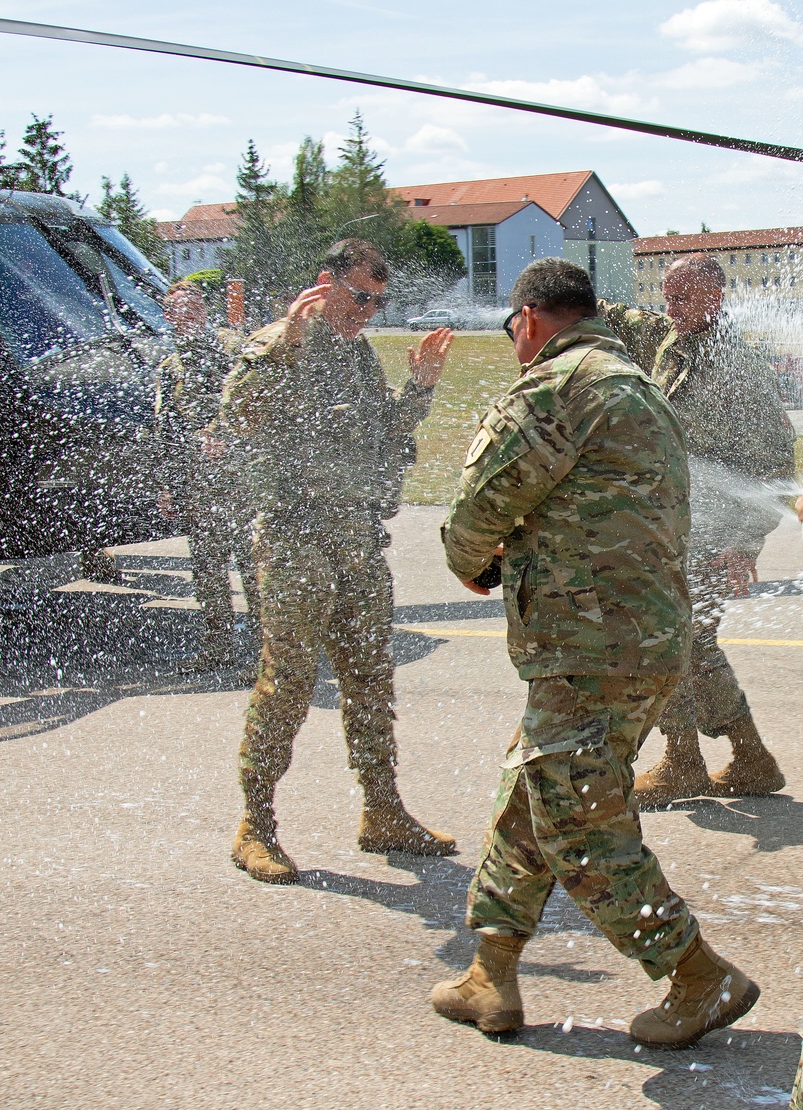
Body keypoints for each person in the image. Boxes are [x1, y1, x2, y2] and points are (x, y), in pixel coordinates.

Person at [433, 258, 758, 1048]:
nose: (514, 340)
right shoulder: (634, 381)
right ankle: (492, 971)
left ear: (534, 317)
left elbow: (479, 512)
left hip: (587, 646)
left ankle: (695, 974)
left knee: (577, 820)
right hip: (640, 640)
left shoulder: (557, 386)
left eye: (513, 326)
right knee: (532, 794)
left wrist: (471, 560)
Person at [217, 238, 456, 884]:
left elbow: (383, 436)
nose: (368, 312)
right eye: (359, 297)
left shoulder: (357, 356)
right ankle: (255, 825)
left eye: (378, 302)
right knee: (289, 682)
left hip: (355, 542)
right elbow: (237, 415)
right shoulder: (276, 343)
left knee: (371, 681)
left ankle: (382, 810)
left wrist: (419, 391)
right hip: (296, 542)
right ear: (325, 284)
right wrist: (286, 346)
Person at [601, 255, 796, 805]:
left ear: (714, 297)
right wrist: (561, 300)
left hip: (712, 538)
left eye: (682, 298)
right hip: (671, 533)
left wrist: (745, 542)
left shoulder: (737, 367)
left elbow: (776, 465)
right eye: (666, 297)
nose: (670, 308)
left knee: (678, 645)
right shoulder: (673, 338)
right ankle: (744, 757)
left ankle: (689, 761)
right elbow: (622, 317)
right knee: (686, 644)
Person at [153, 279, 260, 671]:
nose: (189, 315)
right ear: (169, 316)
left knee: (253, 565)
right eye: (180, 310)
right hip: (199, 486)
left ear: (204, 310)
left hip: (240, 479)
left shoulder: (230, 348)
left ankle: (269, 654)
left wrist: (221, 433)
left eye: (194, 307)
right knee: (208, 567)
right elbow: (165, 429)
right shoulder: (170, 366)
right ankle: (217, 647)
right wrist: (169, 485)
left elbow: (248, 395)